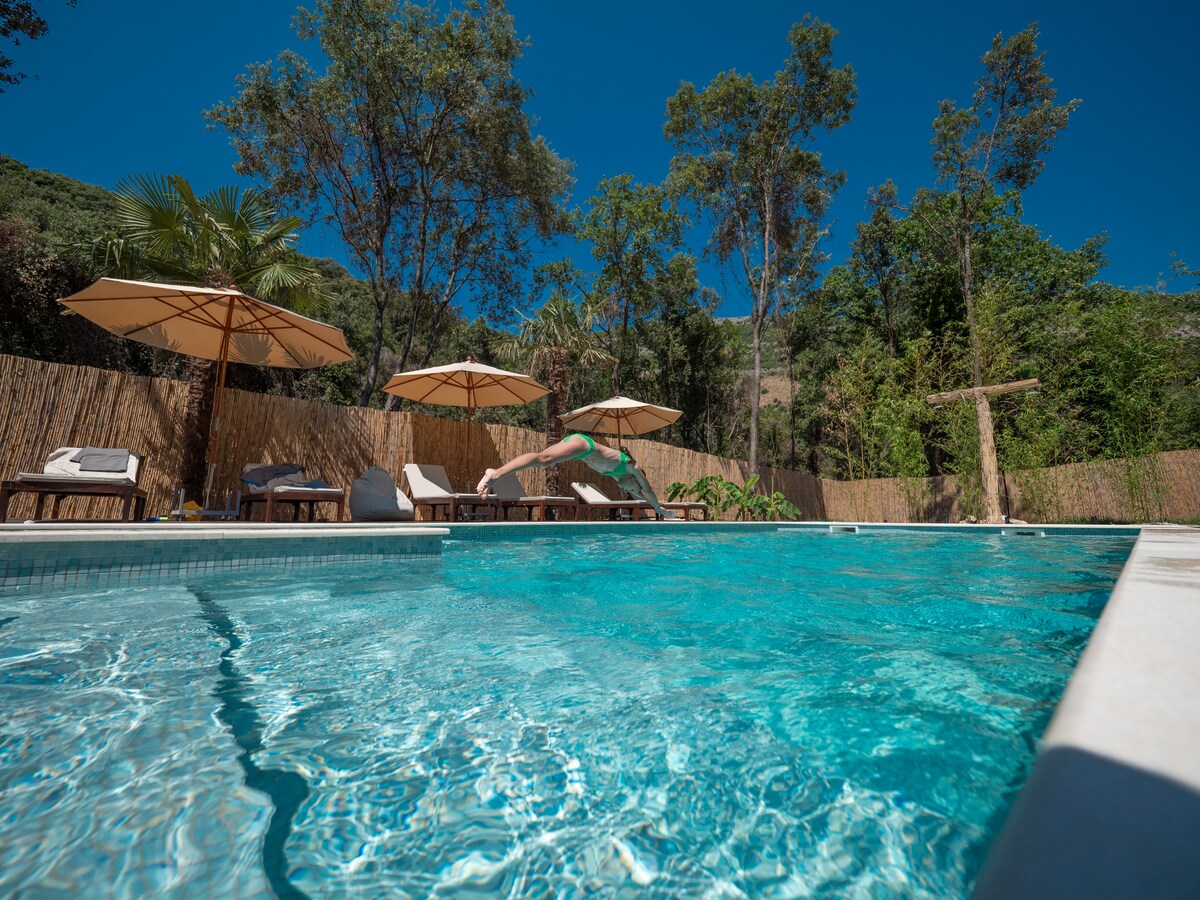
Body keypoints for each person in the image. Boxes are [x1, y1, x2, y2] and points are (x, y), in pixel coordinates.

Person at [476, 433, 674, 517]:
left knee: (543, 460)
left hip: (579, 448)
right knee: (544, 459)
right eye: (630, 487)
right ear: (635, 479)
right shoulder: (632, 467)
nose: (625, 489)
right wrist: (658, 507)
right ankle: (496, 473)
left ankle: (498, 475)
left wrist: (654, 504)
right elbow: (646, 489)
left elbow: (640, 494)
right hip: (584, 446)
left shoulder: (617, 476)